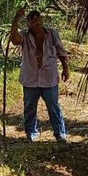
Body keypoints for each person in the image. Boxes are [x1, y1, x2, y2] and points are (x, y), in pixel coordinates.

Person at [11, 8, 70, 143]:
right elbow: (14, 40)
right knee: (29, 107)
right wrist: (16, 19)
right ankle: (31, 133)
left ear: (42, 20)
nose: (36, 21)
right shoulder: (24, 35)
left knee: (53, 107)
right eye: (32, 19)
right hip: (30, 79)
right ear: (27, 23)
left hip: (49, 78)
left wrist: (65, 68)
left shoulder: (52, 34)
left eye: (38, 18)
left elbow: (61, 51)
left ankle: (60, 134)